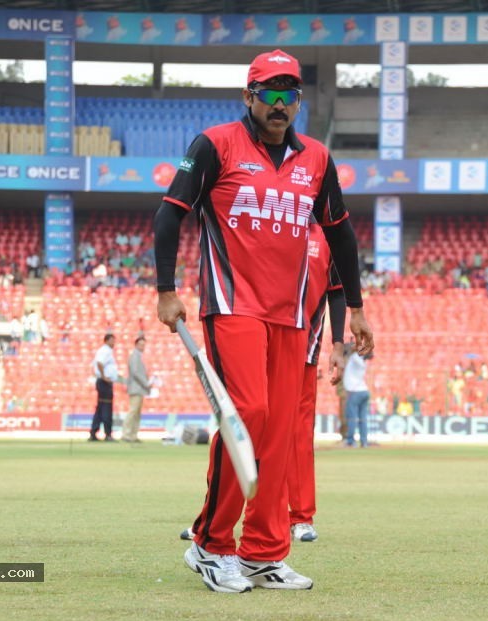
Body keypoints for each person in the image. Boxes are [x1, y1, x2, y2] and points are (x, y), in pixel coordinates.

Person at [154, 48, 374, 593]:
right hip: (232, 305)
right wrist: (165, 289)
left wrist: (360, 308)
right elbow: (169, 214)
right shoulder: (215, 144)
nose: (280, 104)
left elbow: (341, 233)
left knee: (279, 433)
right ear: (248, 97)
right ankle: (210, 544)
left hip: (294, 313)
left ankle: (263, 553)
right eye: (269, 93)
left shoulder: (317, 159)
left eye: (290, 94)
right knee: (247, 412)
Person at [288, 223, 346, 543]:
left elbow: (336, 292)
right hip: (261, 346)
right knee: (243, 427)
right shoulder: (270, 220)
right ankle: (215, 520)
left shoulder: (326, 237)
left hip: (304, 352)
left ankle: (300, 517)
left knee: (298, 435)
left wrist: (337, 345)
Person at [89, 333, 119, 442]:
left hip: (102, 381)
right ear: (106, 340)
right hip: (104, 382)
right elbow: (99, 363)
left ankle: (94, 431)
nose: (114, 343)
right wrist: (104, 377)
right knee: (106, 408)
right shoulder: (105, 351)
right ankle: (107, 433)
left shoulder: (105, 351)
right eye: (112, 340)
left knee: (101, 408)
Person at [122, 336, 151, 443]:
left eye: (144, 345)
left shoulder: (138, 356)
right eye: (141, 344)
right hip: (136, 388)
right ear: (136, 345)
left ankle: (133, 435)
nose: (143, 347)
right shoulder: (134, 356)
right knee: (133, 411)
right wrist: (146, 384)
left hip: (139, 388)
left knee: (136, 413)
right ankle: (126, 434)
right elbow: (135, 373)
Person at [343, 349, 373, 447]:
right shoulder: (363, 363)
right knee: (362, 418)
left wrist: (351, 348)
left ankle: (351, 441)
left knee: (352, 418)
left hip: (355, 391)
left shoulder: (355, 357)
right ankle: (364, 442)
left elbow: (351, 352)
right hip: (364, 391)